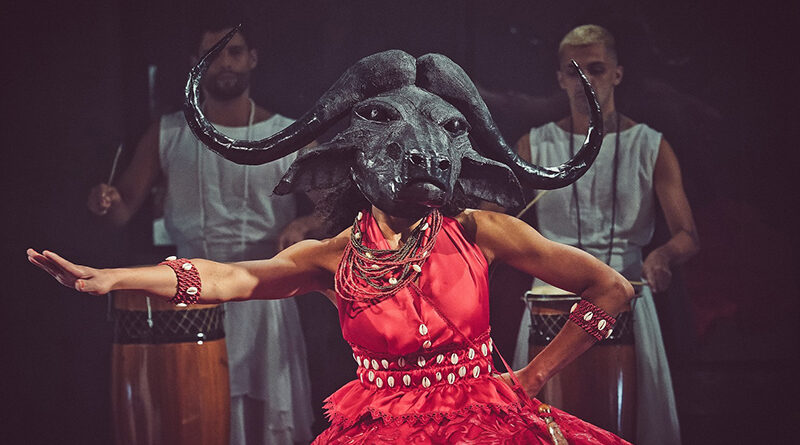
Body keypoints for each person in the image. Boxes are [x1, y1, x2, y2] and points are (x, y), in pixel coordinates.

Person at [34, 46, 636, 443]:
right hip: (378, 426)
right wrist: (113, 277)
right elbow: (225, 278)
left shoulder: (482, 231)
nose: (418, 156)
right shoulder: (332, 258)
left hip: (489, 423)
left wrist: (533, 376)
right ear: (352, 160)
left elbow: (611, 288)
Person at [86, 20, 314, 445]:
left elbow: (335, 209)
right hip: (189, 295)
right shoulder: (168, 132)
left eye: (234, 51)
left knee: (267, 420)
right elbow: (122, 209)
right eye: (212, 54)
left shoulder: (288, 133)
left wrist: (304, 224)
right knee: (196, 413)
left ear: (252, 58)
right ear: (195, 63)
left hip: (265, 291)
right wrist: (106, 200)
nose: (224, 63)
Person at [511, 24, 700, 445]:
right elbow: (493, 220)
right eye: (573, 71)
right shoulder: (533, 145)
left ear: (617, 73)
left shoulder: (650, 146)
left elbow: (687, 234)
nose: (585, 80)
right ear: (560, 79)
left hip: (626, 297)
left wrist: (663, 256)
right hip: (549, 302)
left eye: (595, 69)